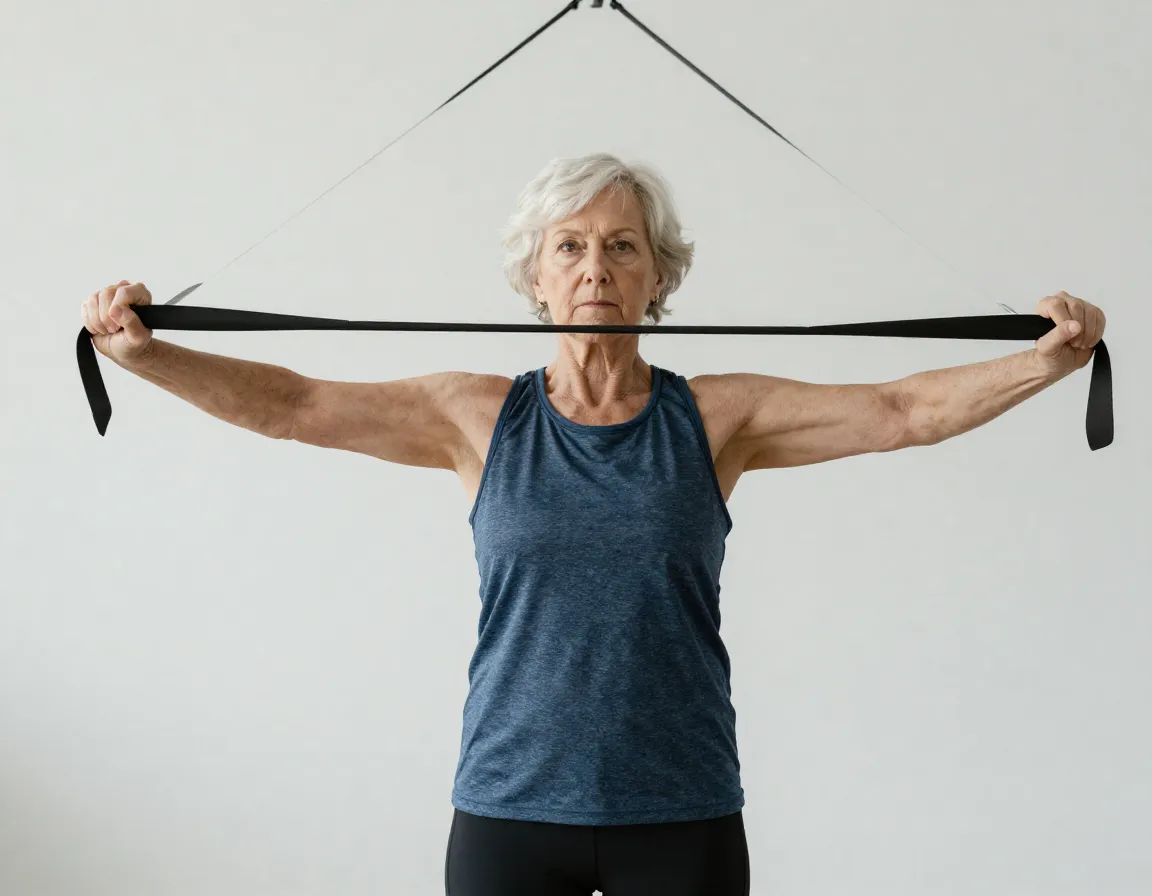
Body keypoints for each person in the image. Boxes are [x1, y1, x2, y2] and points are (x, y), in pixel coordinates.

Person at [81, 153, 1106, 896]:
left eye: (622, 248)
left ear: (659, 277)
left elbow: (901, 411)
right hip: (509, 809)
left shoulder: (715, 418)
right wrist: (146, 353)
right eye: (569, 247)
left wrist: (1043, 359)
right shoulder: (475, 414)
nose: (595, 268)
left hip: (683, 812)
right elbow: (295, 404)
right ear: (535, 275)